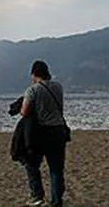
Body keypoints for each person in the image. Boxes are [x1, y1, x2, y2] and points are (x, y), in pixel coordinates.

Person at [19, 60, 69, 207]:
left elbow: (25, 112)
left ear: (34, 74)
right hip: (59, 131)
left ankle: (37, 196)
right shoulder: (58, 87)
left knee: (32, 165)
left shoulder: (32, 90)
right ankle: (56, 201)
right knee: (56, 169)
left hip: (41, 132)